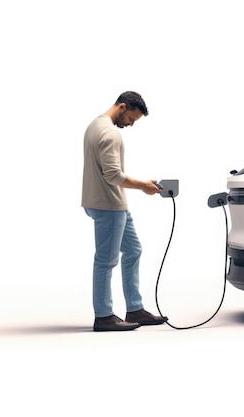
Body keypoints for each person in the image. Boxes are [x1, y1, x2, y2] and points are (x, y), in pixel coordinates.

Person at [82, 91, 168, 331]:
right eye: (131, 119)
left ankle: (135, 308)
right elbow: (113, 175)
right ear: (122, 107)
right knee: (106, 261)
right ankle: (104, 316)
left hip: (109, 202)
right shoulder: (109, 133)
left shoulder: (94, 125)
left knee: (133, 250)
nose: (130, 125)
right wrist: (143, 186)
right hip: (107, 204)